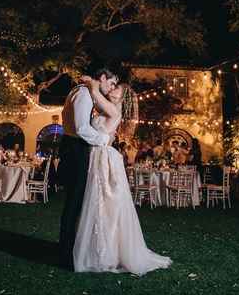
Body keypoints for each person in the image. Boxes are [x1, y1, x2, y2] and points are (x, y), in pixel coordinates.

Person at [72, 75, 171, 275]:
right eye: (114, 85)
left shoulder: (113, 111)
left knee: (105, 202)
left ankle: (106, 252)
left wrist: (92, 82)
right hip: (96, 155)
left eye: (118, 88)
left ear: (123, 97)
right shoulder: (104, 108)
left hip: (104, 159)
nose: (114, 88)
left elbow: (94, 92)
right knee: (96, 202)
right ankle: (98, 249)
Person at [57, 68, 118, 268]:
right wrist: (105, 139)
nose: (111, 88)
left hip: (74, 147)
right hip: (75, 149)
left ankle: (70, 247)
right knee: (74, 202)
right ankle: (66, 253)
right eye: (110, 83)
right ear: (102, 77)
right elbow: (82, 128)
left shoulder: (84, 92)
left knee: (77, 202)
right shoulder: (83, 94)